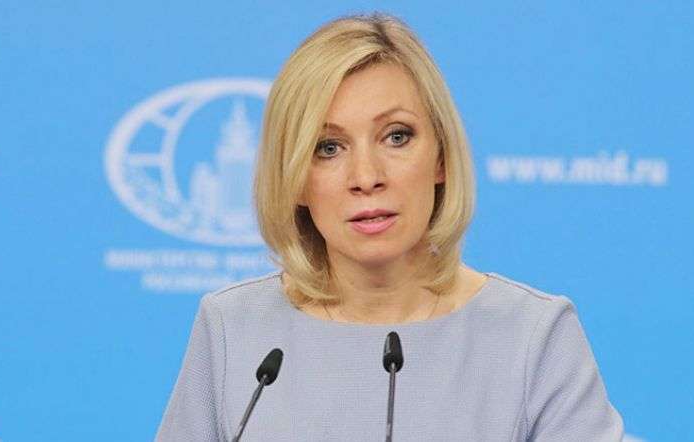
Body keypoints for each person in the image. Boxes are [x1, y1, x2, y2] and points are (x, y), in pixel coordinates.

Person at [155, 13, 624, 441]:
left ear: (441, 157)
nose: (366, 177)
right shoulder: (233, 329)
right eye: (328, 147)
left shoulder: (532, 336)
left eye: (396, 137)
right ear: (294, 177)